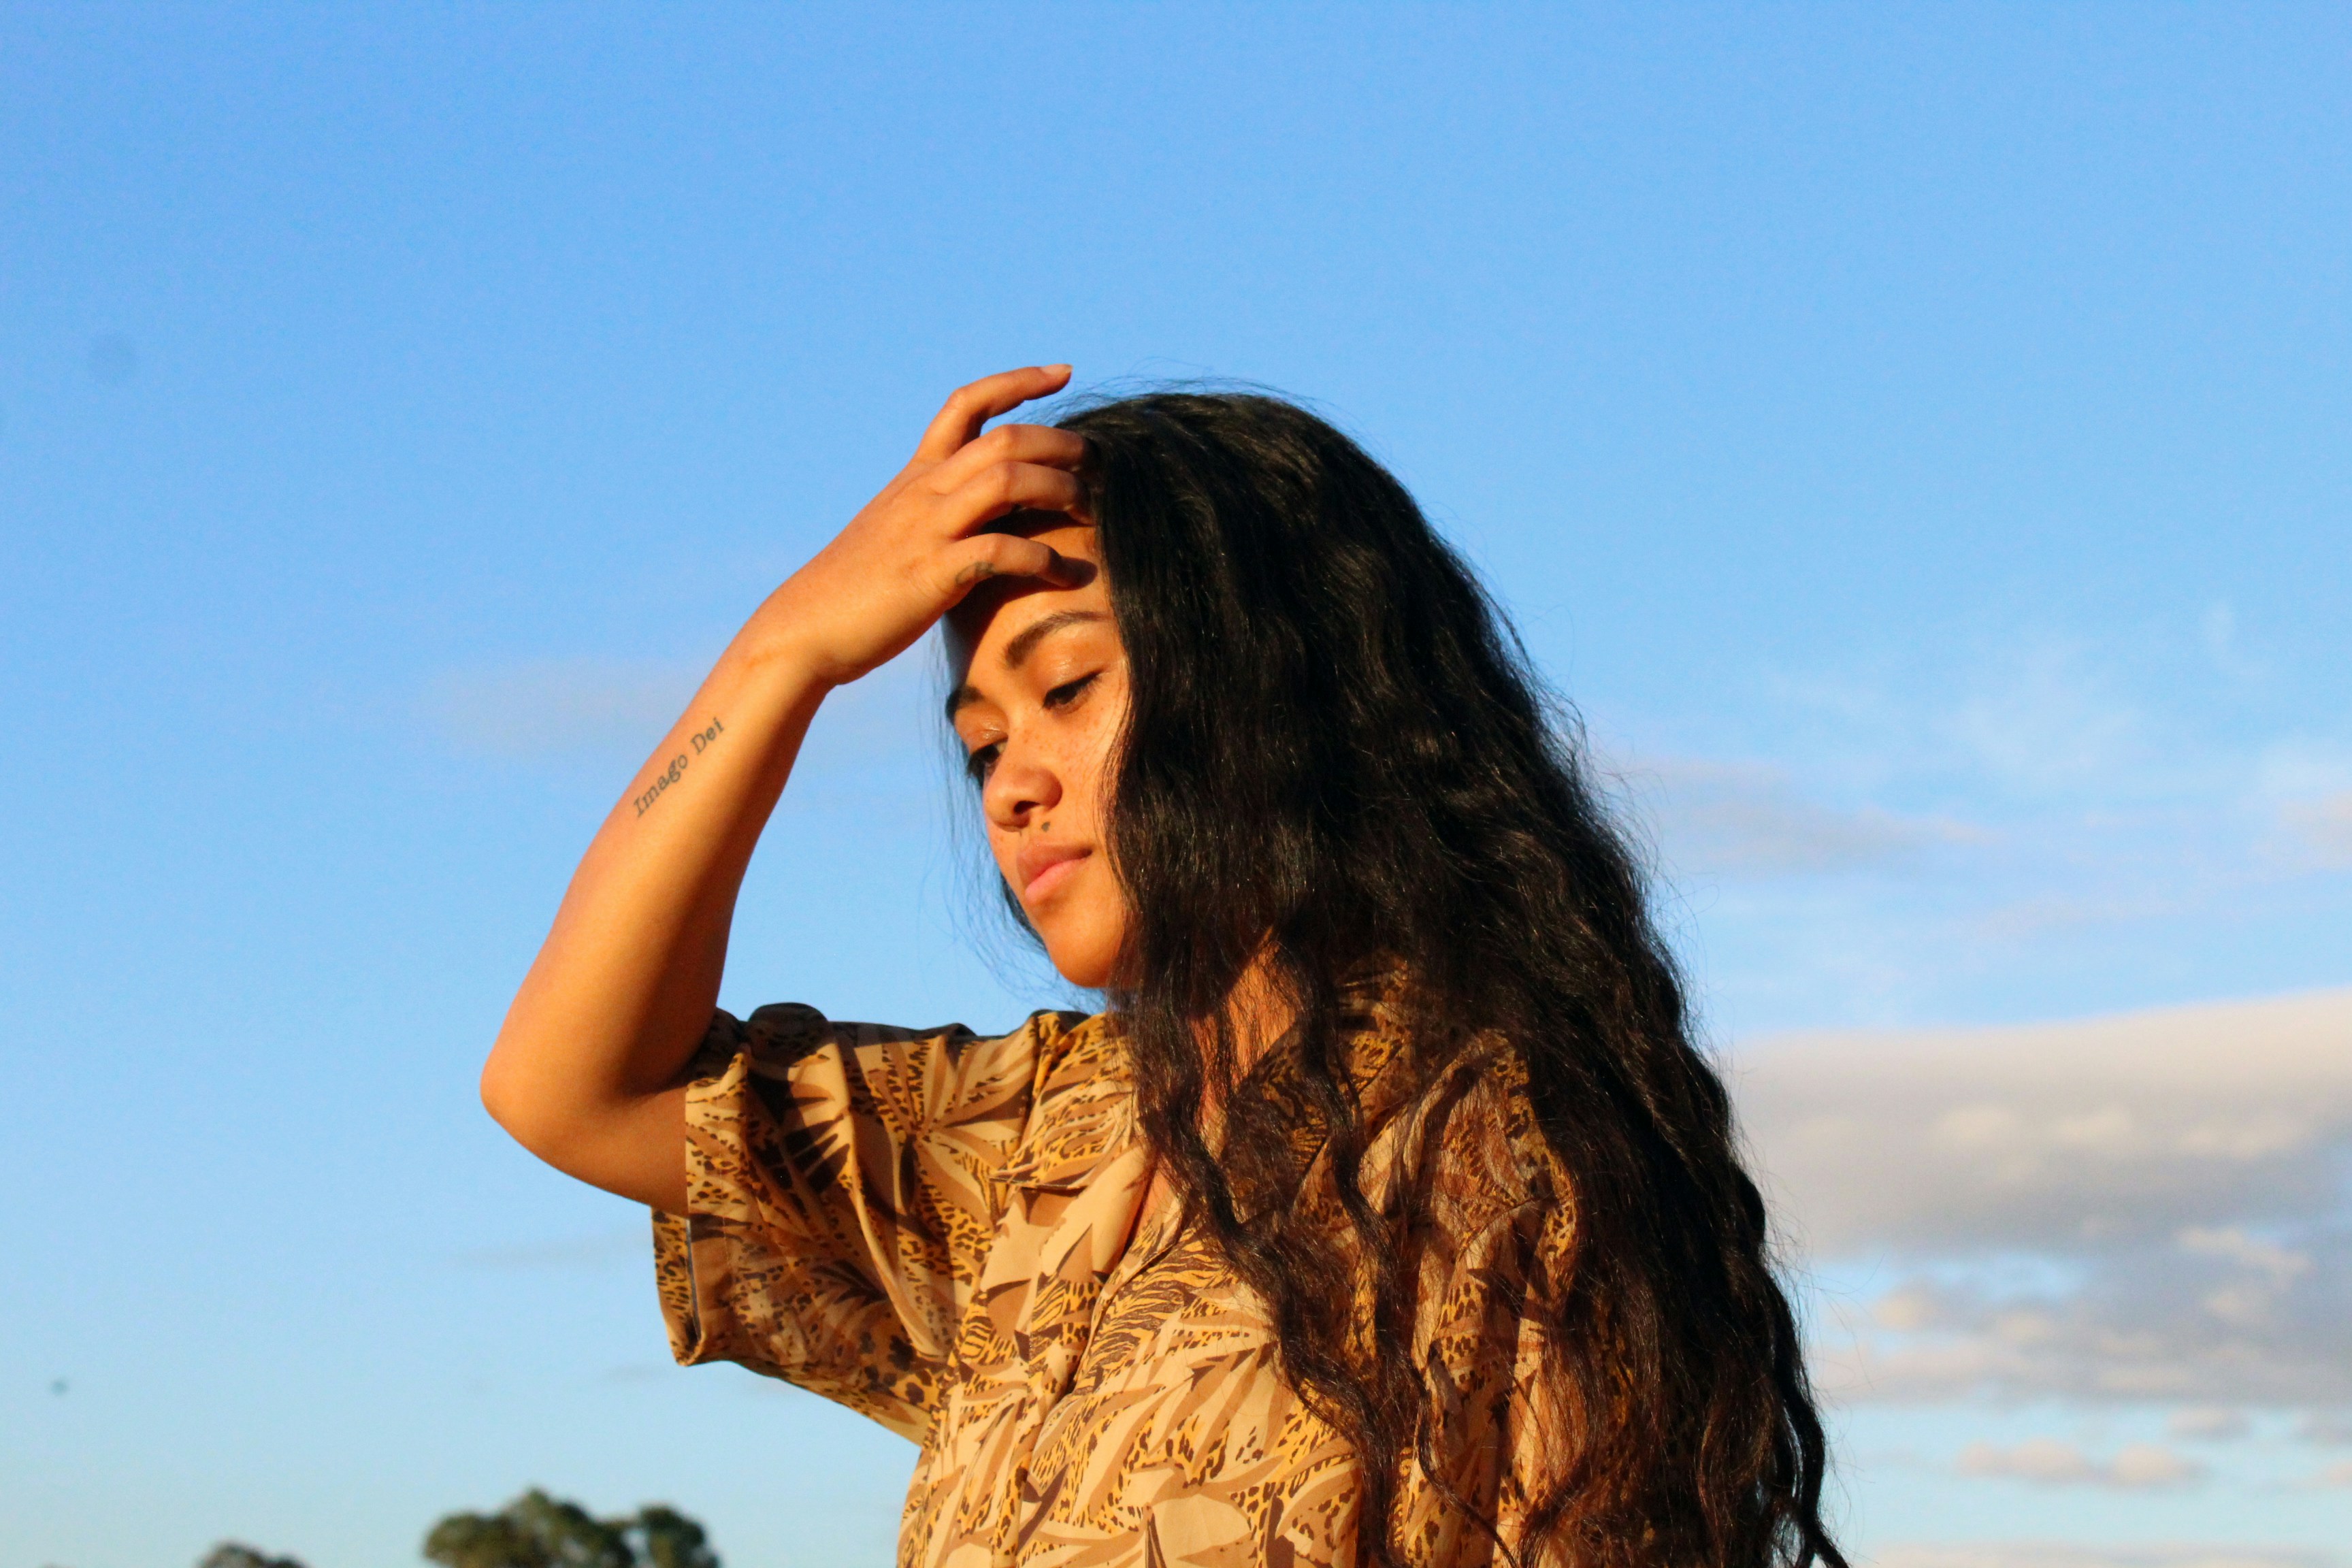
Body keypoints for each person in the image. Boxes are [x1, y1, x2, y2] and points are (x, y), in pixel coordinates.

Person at [481, 367, 1846, 1568]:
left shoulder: (1500, 1160)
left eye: (1066, 690)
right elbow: (564, 1086)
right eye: (979, 743)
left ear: (1278, 681)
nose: (1011, 786)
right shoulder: (1021, 1144)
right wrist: (784, 654)